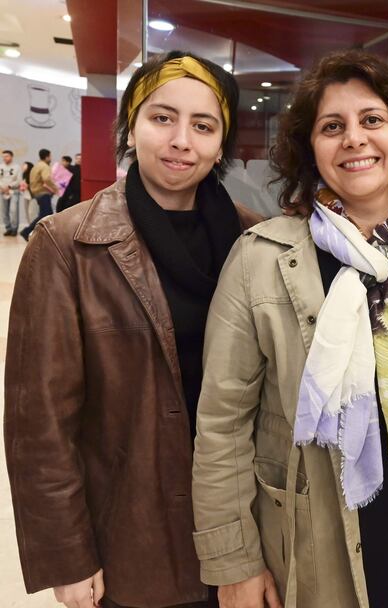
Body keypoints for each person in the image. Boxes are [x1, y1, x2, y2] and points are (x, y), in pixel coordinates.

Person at [191, 49, 388, 608]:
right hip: (314, 539)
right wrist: (234, 564)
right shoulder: (262, 258)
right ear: (309, 148)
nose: (354, 139)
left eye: (372, 120)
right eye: (332, 126)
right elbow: (221, 424)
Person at [4, 50, 262, 608]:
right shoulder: (67, 243)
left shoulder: (255, 240)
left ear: (222, 142)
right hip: (132, 537)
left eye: (203, 125)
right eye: (162, 117)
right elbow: (38, 422)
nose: (181, 140)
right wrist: (67, 556)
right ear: (131, 126)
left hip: (243, 536)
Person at [20, 148, 57, 240]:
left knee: (47, 214)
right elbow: (47, 179)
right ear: (47, 157)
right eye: (50, 156)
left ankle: (45, 235)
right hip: (43, 193)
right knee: (45, 215)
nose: (51, 158)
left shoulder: (35, 166)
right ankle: (27, 231)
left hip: (36, 193)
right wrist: (55, 188)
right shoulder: (44, 166)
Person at [1, 149, 22, 236]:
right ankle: (8, 228)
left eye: (7, 156)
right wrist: (2, 187)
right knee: (4, 211)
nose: (5, 158)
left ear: (11, 156)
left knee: (13, 210)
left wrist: (9, 186)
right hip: (2, 191)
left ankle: (14, 229)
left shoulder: (17, 167)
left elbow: (19, 180)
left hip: (14, 191)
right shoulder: (1, 166)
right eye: (3, 157)